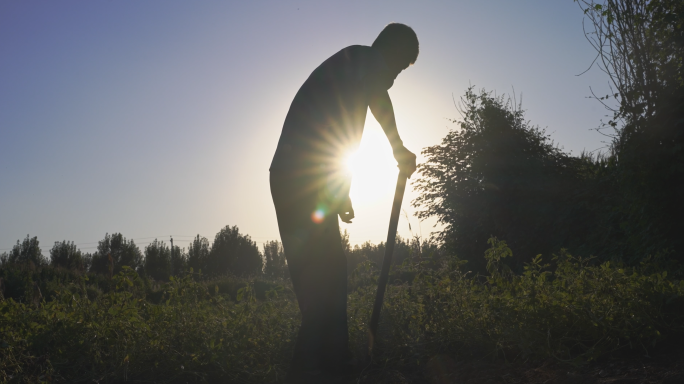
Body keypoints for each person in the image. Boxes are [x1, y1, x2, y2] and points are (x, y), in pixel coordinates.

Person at [269, 23, 418, 383]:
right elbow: (374, 102)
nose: (395, 78)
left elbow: (335, 133)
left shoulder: (350, 69)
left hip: (295, 175)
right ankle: (326, 368)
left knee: (320, 278)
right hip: (300, 177)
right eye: (399, 67)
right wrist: (398, 148)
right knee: (327, 278)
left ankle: (329, 365)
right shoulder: (364, 60)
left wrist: (339, 191)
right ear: (390, 51)